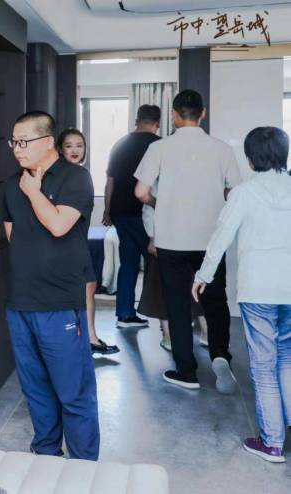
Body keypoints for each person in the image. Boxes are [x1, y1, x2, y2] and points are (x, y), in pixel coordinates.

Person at [1, 111, 99, 460]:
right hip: (21, 303)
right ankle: (46, 455)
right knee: (35, 389)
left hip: (60, 304)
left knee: (73, 392)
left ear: (46, 142)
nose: (17, 149)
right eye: (14, 142)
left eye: (23, 142)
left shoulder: (76, 177)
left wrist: (33, 192)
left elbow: (59, 225)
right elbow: (13, 237)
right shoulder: (11, 184)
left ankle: (84, 465)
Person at [192, 127, 291, 463]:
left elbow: (221, 236)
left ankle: (272, 442)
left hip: (259, 289)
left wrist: (203, 275)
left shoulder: (244, 193)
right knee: (287, 359)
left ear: (249, 160)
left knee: (263, 365)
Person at [134, 89, 242, 393]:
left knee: (178, 303)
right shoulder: (221, 149)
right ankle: (220, 355)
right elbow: (236, 192)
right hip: (210, 240)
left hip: (172, 240)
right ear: (202, 113)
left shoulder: (160, 148)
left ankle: (186, 371)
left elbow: (140, 192)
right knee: (215, 299)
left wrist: (161, 204)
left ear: (174, 115)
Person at [57, 128, 119, 356]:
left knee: (89, 286)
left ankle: (90, 337)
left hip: (78, 240)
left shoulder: (80, 173)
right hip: (67, 242)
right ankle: (83, 339)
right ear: (60, 149)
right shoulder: (66, 175)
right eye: (69, 146)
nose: (75, 150)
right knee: (83, 288)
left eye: (79, 145)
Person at [103, 104, 161, 329]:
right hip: (146, 212)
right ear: (157, 123)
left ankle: (125, 314)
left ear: (137, 120)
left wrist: (107, 210)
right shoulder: (158, 145)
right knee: (156, 263)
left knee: (128, 263)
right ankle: (161, 315)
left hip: (120, 212)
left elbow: (110, 181)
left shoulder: (120, 144)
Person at [138, 180, 206, 353]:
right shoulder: (194, 176)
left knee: (164, 290)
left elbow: (147, 207)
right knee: (196, 287)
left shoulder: (158, 179)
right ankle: (207, 333)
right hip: (193, 240)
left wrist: (152, 238)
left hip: (166, 241)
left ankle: (169, 337)